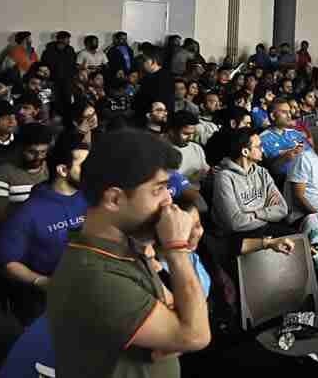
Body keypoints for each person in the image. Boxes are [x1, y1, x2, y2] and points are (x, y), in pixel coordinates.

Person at [46, 129, 209, 375]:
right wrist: (176, 250)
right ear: (113, 199)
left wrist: (177, 331)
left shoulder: (127, 247)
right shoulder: (94, 276)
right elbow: (196, 335)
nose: (169, 200)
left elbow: (179, 314)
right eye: (158, 189)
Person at [0, 132, 88, 324]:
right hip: (47, 307)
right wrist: (42, 281)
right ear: (63, 170)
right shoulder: (27, 213)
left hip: (89, 294)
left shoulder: (90, 197)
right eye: (85, 166)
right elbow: (7, 262)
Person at [211, 126, 291, 248]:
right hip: (239, 238)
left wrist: (252, 214)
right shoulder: (224, 178)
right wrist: (268, 213)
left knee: (298, 238)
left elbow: (282, 209)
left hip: (264, 228)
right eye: (258, 147)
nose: (262, 150)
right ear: (245, 152)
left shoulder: (262, 172)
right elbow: (234, 222)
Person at [0, 123, 51, 225]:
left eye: (43, 152)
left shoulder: (51, 169)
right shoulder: (1, 173)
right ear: (19, 148)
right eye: (32, 152)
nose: (38, 157)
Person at [259, 96, 311, 184]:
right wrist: (284, 157)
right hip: (283, 182)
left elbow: (309, 154)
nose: (289, 115)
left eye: (289, 112)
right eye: (284, 112)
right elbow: (270, 169)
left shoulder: (295, 133)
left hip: (307, 178)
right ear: (272, 116)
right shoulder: (262, 139)